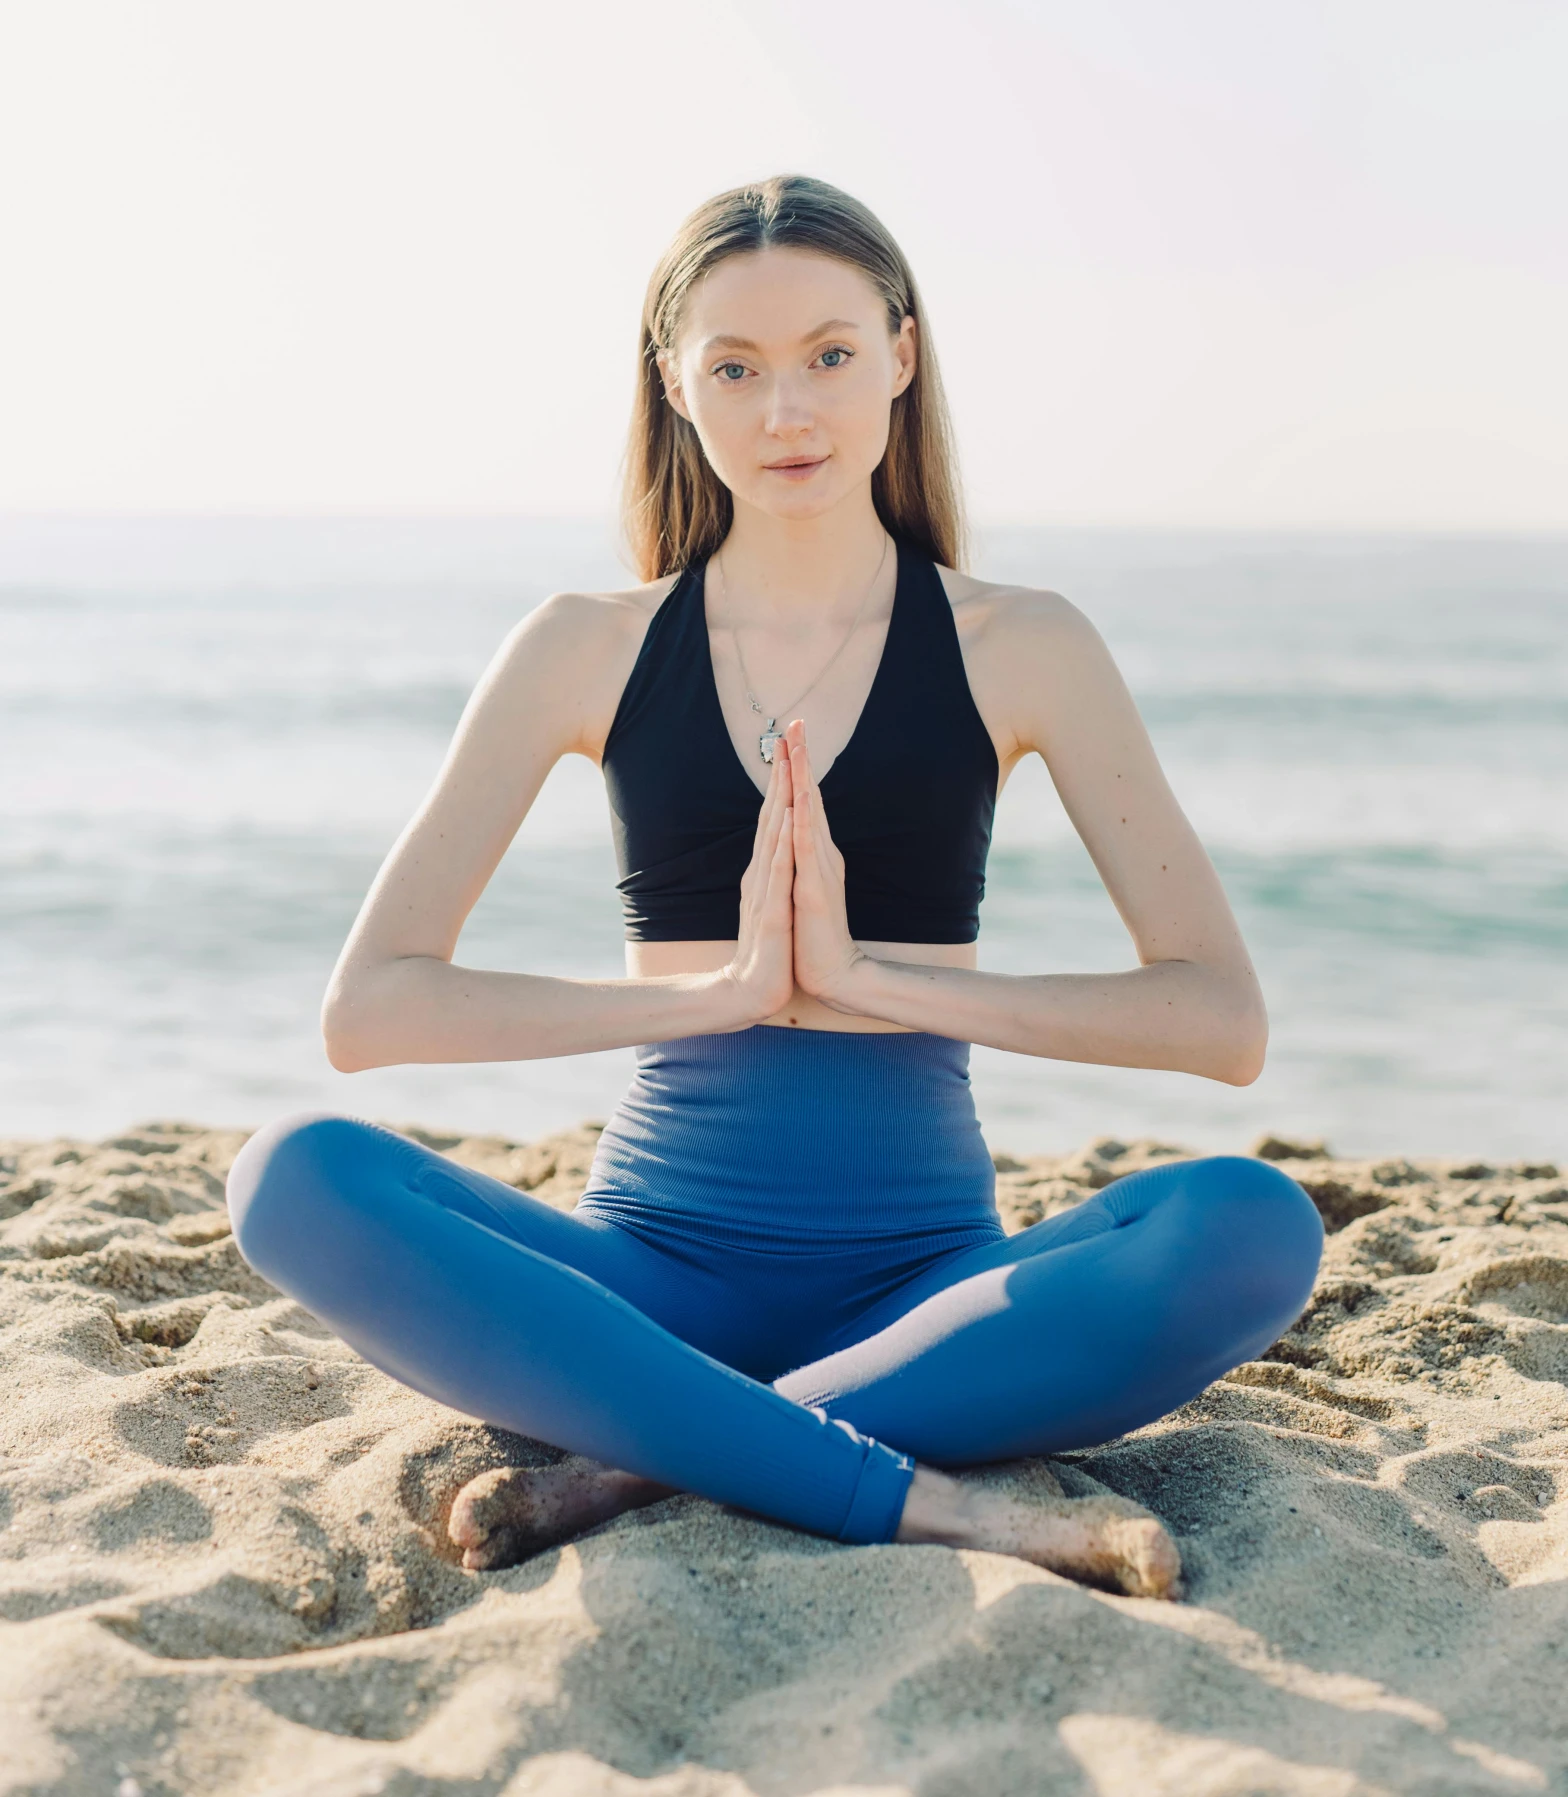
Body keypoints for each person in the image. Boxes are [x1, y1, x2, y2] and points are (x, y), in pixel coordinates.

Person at [227, 176, 1322, 1599]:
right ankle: (919, 1497)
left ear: (902, 359)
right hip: (646, 1290)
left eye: (829, 356)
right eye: (734, 368)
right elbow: (371, 1010)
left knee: (1253, 1223)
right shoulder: (584, 646)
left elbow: (1217, 1020)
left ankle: (645, 1461)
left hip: (933, 1303)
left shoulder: (1022, 644)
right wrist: (720, 994)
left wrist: (875, 982)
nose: (786, 410)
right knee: (291, 1177)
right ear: (674, 386)